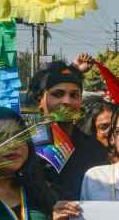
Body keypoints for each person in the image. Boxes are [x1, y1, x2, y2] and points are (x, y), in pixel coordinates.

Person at [28, 61, 109, 200]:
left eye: (74, 95)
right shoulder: (25, 147)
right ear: (40, 100)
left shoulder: (95, 149)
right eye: (58, 94)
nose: (67, 101)